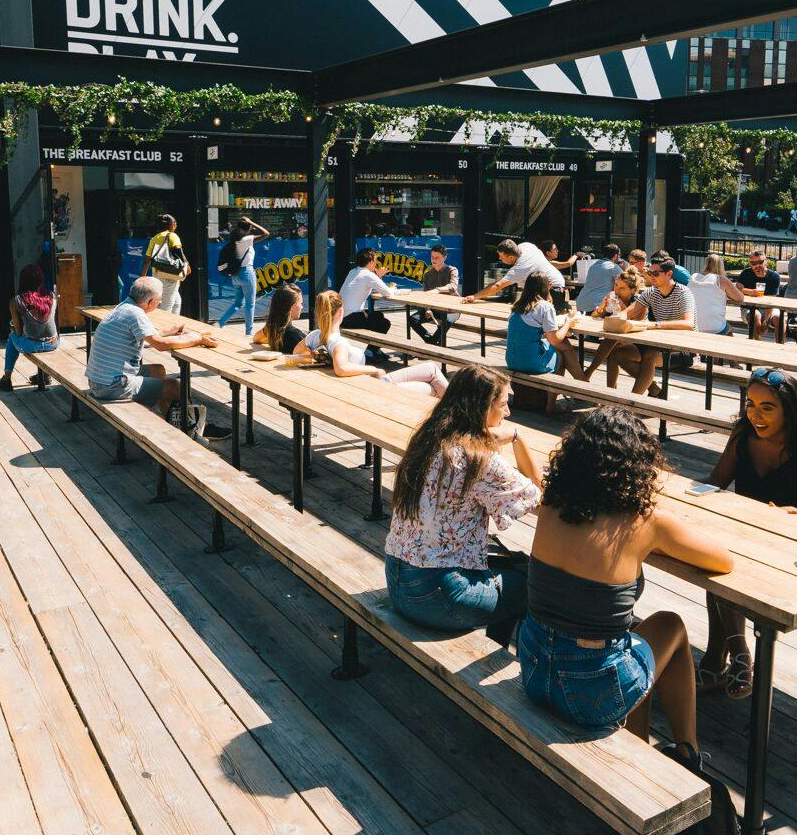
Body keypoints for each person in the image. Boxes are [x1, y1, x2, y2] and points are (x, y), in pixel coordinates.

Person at [518, 408, 734, 752]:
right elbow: (723, 561)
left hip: (532, 670)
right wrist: (659, 541)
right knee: (669, 626)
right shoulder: (646, 522)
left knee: (632, 641)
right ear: (637, 464)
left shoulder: (551, 503)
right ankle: (689, 751)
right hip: (588, 694)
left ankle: (640, 739)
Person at [699, 369, 797, 695]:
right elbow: (715, 481)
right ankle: (733, 656)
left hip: (791, 543)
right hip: (743, 532)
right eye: (750, 404)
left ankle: (721, 659)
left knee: (722, 563)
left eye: (767, 407)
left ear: (790, 409)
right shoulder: (743, 434)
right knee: (718, 555)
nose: (755, 414)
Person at [383, 367, 543, 633]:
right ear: (482, 408)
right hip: (439, 597)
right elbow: (536, 493)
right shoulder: (479, 460)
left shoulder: (428, 438)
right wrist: (517, 437)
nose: (508, 413)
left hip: (398, 581)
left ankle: (494, 638)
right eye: (503, 405)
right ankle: (498, 656)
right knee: (532, 584)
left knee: (512, 566)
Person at [88, 275, 215, 419]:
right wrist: (197, 339)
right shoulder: (135, 314)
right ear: (150, 301)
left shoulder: (123, 307)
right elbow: (160, 345)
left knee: (157, 370)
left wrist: (170, 331)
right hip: (111, 386)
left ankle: (171, 418)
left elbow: (146, 335)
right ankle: (193, 426)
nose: (159, 304)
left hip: (99, 380)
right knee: (175, 386)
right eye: (159, 301)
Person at [292, 290, 448, 395]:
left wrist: (319, 356)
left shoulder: (315, 336)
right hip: (374, 389)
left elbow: (296, 352)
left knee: (431, 379)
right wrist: (373, 369)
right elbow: (341, 368)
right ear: (340, 312)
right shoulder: (337, 343)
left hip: (363, 387)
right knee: (432, 375)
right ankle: (466, 418)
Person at [590, 257, 693, 396]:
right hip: (658, 343)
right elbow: (627, 313)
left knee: (649, 355)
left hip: (683, 348)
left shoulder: (683, 293)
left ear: (669, 274)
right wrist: (608, 310)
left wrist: (653, 325)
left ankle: (631, 405)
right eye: (650, 273)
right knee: (616, 353)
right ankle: (653, 390)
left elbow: (688, 324)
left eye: (655, 274)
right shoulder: (651, 292)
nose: (651, 277)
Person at [506, 271, 591, 384]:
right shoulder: (544, 306)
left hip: (512, 360)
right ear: (547, 286)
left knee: (562, 346)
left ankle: (582, 382)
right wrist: (568, 323)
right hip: (530, 362)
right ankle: (578, 386)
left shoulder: (517, 306)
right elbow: (554, 339)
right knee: (561, 355)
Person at [0, 262, 60, 391]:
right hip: (53, 343)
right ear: (41, 280)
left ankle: (6, 380)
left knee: (12, 337)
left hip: (32, 345)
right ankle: (44, 376)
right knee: (39, 334)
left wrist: (13, 326)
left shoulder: (17, 301)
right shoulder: (52, 297)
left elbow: (19, 332)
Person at [216, 214, 270, 333]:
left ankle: (220, 323)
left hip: (236, 275)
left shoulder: (235, 239)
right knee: (250, 304)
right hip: (247, 273)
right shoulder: (246, 240)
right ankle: (248, 332)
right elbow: (266, 233)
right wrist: (252, 222)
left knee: (238, 303)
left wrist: (249, 223)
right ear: (249, 228)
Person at [468, 237, 564, 302]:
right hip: (556, 285)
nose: (500, 259)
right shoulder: (526, 245)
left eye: (501, 256)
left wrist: (474, 297)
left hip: (552, 290)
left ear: (510, 257)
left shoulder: (520, 268)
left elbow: (498, 285)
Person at [407, 244, 461, 345]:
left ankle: (431, 343)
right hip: (435, 309)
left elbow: (453, 286)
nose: (433, 260)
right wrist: (427, 309)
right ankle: (430, 340)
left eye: (437, 257)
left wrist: (437, 290)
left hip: (451, 309)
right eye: (432, 257)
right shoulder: (427, 275)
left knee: (446, 321)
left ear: (444, 257)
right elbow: (425, 295)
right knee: (412, 319)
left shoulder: (452, 270)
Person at [688, 253, 741, 335]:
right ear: (720, 265)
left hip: (693, 326)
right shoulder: (720, 280)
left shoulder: (693, 277)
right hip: (715, 328)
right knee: (729, 330)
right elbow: (740, 298)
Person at [145, 214, 189, 311]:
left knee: (177, 301)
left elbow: (147, 259)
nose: (176, 225)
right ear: (171, 225)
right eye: (175, 223)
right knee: (168, 303)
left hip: (157, 272)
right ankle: (165, 325)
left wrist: (143, 276)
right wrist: (186, 265)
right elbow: (179, 252)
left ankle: (174, 322)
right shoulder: (173, 236)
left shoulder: (155, 238)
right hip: (170, 273)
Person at [736, 250, 783, 337]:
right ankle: (757, 344)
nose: (757, 265)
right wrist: (751, 292)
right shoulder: (746, 273)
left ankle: (780, 348)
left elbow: (771, 301)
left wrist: (766, 320)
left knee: (780, 319)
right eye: (754, 263)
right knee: (755, 315)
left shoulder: (774, 276)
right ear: (750, 264)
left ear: (766, 261)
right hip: (748, 307)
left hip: (769, 307)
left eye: (760, 262)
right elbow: (737, 288)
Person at [252, 285, 307, 355]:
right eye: (300, 303)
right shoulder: (296, 336)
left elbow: (255, 338)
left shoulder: (272, 329)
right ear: (291, 307)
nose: (302, 307)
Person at [576, 244, 625, 313]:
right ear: (615, 256)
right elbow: (625, 281)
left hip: (582, 302)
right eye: (619, 255)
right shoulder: (613, 267)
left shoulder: (594, 265)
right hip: (596, 305)